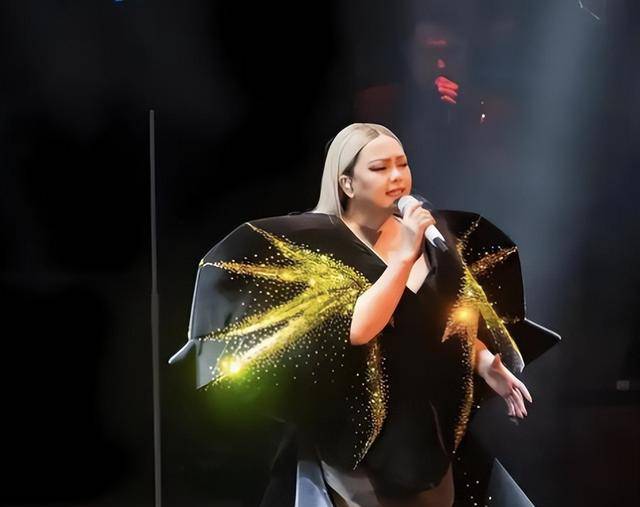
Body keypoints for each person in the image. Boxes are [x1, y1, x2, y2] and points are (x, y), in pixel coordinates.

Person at [171, 123, 557, 507]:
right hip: (359, 440)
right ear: (347, 183)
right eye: (379, 168)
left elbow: (450, 316)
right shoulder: (321, 244)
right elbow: (358, 328)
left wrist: (485, 361)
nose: (396, 176)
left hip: (428, 434)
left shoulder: (433, 236)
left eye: (402, 164)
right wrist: (403, 257)